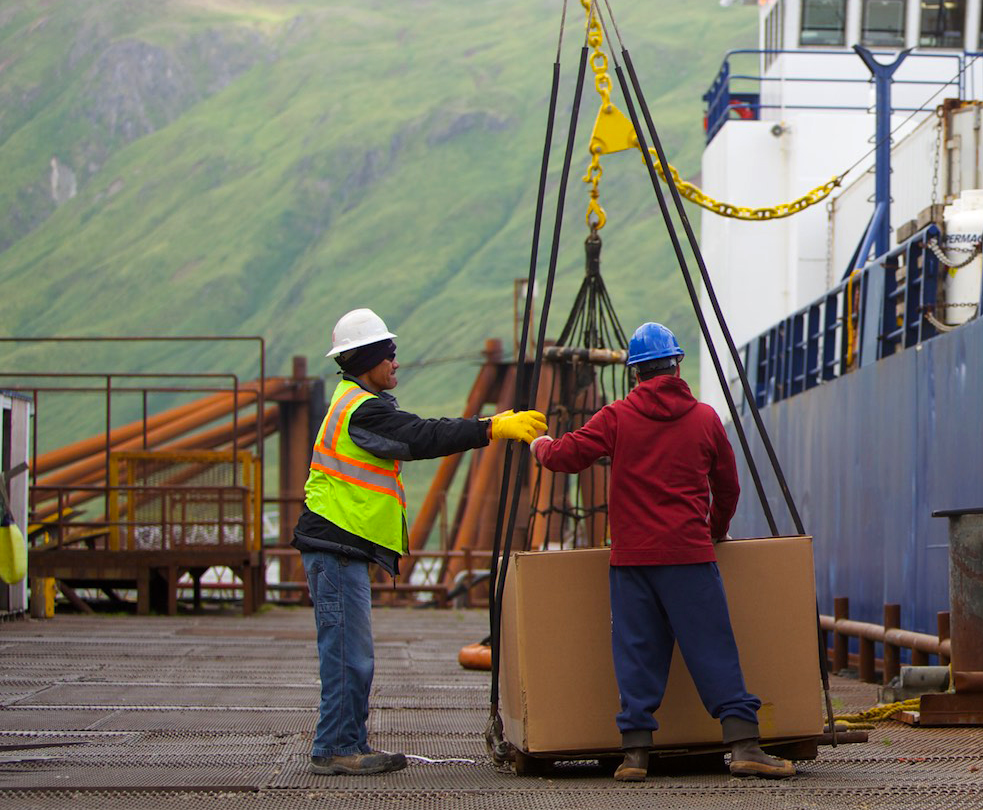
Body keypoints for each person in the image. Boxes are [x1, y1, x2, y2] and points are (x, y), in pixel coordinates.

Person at [528, 320, 794, 783]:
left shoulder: (616, 417)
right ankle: (745, 746)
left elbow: (565, 457)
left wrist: (539, 443)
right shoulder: (706, 418)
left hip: (632, 561)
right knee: (712, 648)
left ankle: (635, 755)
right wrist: (714, 529)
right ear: (676, 366)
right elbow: (727, 486)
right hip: (690, 556)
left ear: (635, 373)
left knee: (636, 651)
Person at [293, 307, 545, 776]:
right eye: (389, 355)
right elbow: (421, 436)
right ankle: (336, 748)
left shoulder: (358, 405)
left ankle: (346, 742)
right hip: (335, 547)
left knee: (351, 653)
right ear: (368, 359)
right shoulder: (362, 411)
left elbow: (412, 438)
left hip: (339, 546)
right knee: (349, 654)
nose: (396, 362)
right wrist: (490, 428)